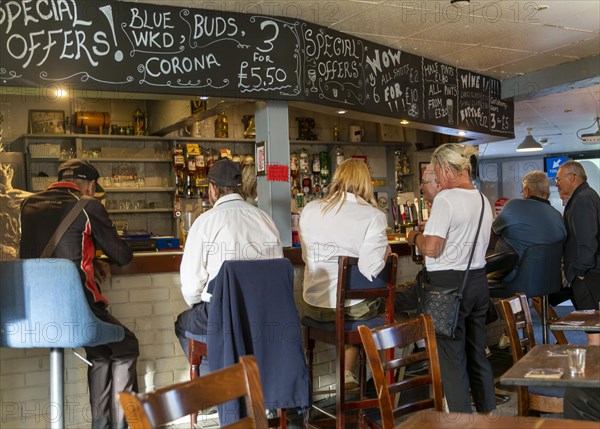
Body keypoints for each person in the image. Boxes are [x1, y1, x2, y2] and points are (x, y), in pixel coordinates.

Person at [19, 159, 137, 429]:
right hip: (76, 311)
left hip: (32, 311)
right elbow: (122, 255)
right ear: (91, 185)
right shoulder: (88, 205)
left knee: (101, 351)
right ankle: (117, 424)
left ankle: (102, 424)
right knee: (126, 345)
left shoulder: (28, 206)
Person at [407, 143, 495, 413]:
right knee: (476, 355)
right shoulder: (482, 199)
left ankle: (461, 421)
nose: (436, 178)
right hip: (478, 282)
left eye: (435, 171)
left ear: (446, 169)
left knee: (452, 360)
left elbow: (432, 248)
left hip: (447, 287)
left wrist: (415, 237)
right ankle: (488, 416)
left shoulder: (445, 200)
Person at [175, 159, 283, 356]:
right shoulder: (265, 220)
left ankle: (219, 379)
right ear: (241, 187)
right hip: (264, 315)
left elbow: (191, 289)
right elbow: (277, 271)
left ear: (213, 189)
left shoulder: (205, 222)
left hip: (221, 315)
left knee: (182, 323)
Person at [299, 158, 391, 389]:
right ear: (366, 183)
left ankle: (355, 374)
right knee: (374, 305)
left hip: (314, 307)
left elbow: (304, 257)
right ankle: (381, 380)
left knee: (356, 306)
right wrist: (387, 252)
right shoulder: (372, 216)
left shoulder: (309, 209)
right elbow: (371, 268)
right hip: (350, 311)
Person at [492, 170, 566, 282]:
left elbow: (494, 230)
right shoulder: (558, 216)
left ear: (526, 191)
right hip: (550, 279)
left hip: (514, 279)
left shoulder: (514, 205)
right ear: (548, 193)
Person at [556, 160, 600, 311]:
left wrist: (580, 272)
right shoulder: (585, 196)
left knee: (591, 323)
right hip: (590, 273)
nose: (556, 184)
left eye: (558, 179)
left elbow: (587, 239)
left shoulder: (583, 198)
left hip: (588, 275)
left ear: (572, 177)